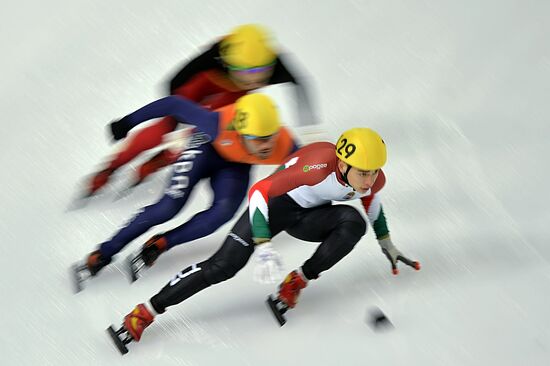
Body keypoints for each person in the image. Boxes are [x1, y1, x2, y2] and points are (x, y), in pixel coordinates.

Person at [107, 128, 421, 353]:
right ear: (341, 163)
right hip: (271, 208)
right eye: (363, 173)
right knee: (222, 267)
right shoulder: (315, 168)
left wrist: (386, 242)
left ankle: (296, 281)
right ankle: (145, 312)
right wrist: (263, 243)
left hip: (307, 216)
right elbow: (259, 192)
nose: (369, 180)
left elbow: (371, 199)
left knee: (352, 223)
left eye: (374, 172)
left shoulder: (370, 176)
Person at [73, 93, 300, 290]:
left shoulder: (286, 144)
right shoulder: (216, 123)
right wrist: (127, 122)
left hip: (235, 166)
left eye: (271, 136)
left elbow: (312, 164)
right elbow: (174, 105)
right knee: (168, 207)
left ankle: (162, 243)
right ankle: (103, 253)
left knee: (222, 213)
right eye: (259, 140)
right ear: (240, 132)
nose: (267, 146)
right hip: (204, 147)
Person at [87, 23, 316, 196]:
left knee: (203, 134)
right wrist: (179, 115)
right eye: (246, 73)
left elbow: (301, 86)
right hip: (202, 84)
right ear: (226, 63)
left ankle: (163, 158)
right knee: (166, 126)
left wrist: (310, 133)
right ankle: (113, 166)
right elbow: (174, 85)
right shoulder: (213, 57)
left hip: (231, 97)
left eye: (262, 73)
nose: (254, 81)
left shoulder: (277, 66)